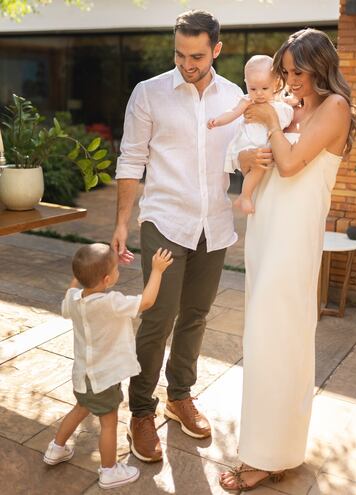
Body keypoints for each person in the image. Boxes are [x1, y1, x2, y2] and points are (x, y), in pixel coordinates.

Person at [112, 10, 267, 464]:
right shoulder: (149, 93)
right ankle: (141, 410)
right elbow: (130, 159)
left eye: (197, 55)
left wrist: (254, 157)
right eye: (180, 54)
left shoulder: (236, 96)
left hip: (213, 224)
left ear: (216, 50)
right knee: (158, 316)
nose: (187, 63)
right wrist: (122, 222)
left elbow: (237, 158)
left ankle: (180, 396)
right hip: (165, 220)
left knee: (196, 315)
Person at [220, 28, 356, 491]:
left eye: (298, 72)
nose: (290, 80)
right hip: (266, 230)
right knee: (264, 341)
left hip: (293, 239)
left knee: (277, 340)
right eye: (285, 71)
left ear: (322, 67)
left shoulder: (334, 107)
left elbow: (293, 163)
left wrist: (274, 128)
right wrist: (246, 153)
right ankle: (271, 449)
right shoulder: (292, 105)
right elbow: (252, 158)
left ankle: (267, 456)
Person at [43, 243, 173, 490]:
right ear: (107, 279)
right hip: (103, 378)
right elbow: (146, 302)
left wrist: (85, 272)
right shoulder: (110, 302)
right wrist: (157, 270)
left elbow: (71, 291)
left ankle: (56, 448)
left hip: (82, 376)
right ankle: (109, 471)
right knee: (109, 423)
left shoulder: (73, 299)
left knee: (80, 408)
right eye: (115, 269)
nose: (118, 271)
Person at [208, 55, 293, 214]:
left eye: (264, 88)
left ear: (275, 83)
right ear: (246, 84)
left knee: (263, 164)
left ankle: (246, 196)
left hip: (266, 143)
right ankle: (244, 196)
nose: (259, 93)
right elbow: (233, 113)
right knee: (259, 166)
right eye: (253, 89)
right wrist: (218, 121)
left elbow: (291, 102)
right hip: (250, 142)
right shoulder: (247, 101)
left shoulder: (279, 100)